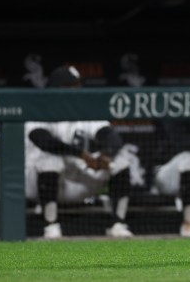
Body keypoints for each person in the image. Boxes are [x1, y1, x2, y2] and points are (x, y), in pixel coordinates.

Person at [25, 65, 135, 238]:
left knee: (120, 159)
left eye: (78, 85)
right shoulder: (40, 108)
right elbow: (43, 141)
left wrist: (106, 155)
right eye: (70, 85)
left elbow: (110, 136)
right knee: (51, 159)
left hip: (72, 180)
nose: (76, 90)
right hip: (35, 183)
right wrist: (82, 155)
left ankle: (118, 224)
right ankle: (50, 226)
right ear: (56, 88)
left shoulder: (84, 110)